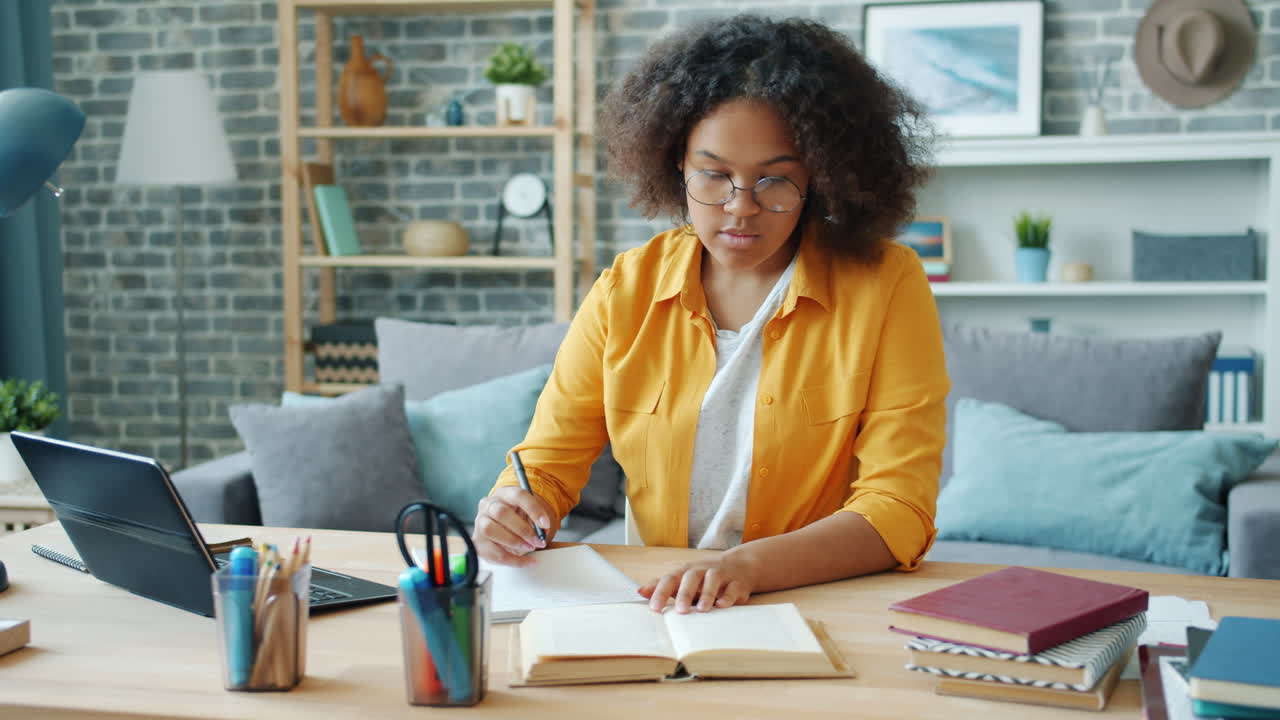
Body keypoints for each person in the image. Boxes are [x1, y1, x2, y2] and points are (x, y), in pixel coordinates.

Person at [474, 14, 949, 614]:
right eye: (715, 175)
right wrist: (513, 510)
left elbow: (899, 508)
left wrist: (745, 567)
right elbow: (545, 464)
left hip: (817, 603)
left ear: (820, 176)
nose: (740, 208)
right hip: (659, 608)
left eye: (774, 180)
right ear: (676, 163)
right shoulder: (626, 289)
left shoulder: (886, 283)